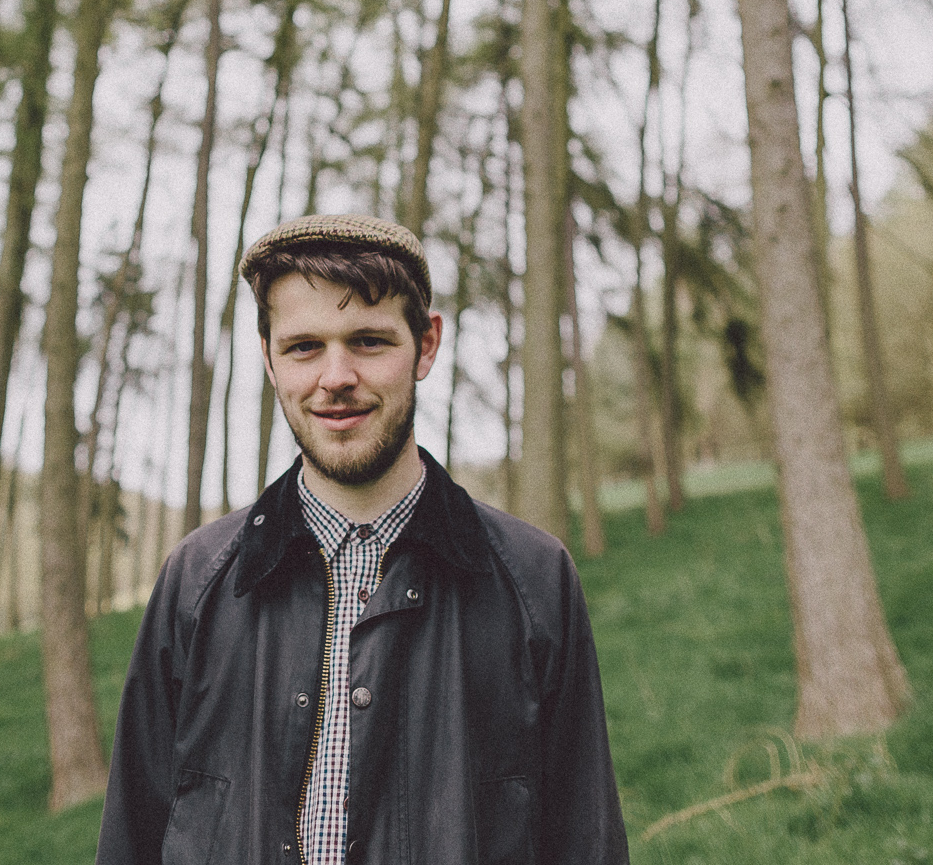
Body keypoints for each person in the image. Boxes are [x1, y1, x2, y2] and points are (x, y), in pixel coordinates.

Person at [96, 214, 629, 865]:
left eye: (369, 341)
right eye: (303, 347)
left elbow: (585, 839)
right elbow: (132, 835)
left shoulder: (534, 579)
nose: (337, 375)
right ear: (267, 357)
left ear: (426, 344)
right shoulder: (195, 580)